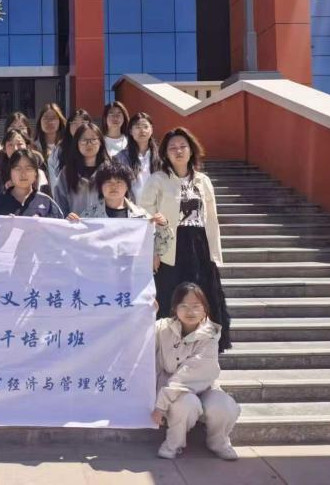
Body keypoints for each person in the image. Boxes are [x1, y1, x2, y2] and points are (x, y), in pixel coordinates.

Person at [140, 127, 231, 352]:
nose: (178, 151)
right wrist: (153, 251)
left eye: (183, 146)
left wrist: (214, 253)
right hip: (171, 247)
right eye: (172, 148)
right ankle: (168, 350)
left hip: (199, 245)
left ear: (191, 150)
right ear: (165, 153)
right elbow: (144, 216)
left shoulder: (203, 180)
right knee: (171, 296)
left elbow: (212, 219)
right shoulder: (157, 180)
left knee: (203, 295)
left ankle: (203, 349)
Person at [153, 282, 240, 461]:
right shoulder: (162, 328)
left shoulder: (211, 335)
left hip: (204, 386)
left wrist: (160, 405)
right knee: (186, 404)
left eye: (196, 306)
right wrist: (146, 314)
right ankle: (173, 444)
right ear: (174, 308)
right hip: (172, 388)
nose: (190, 311)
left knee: (224, 406)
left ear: (205, 309)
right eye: (183, 306)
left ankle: (219, 443)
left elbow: (188, 375)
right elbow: (138, 338)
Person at [0, 149, 63, 218]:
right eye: (17, 169)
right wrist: (3, 224)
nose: (23, 174)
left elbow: (59, 228)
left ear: (36, 173)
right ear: (10, 172)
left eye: (28, 169)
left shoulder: (47, 202)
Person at [53, 122, 110, 216]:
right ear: (77, 143)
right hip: (75, 223)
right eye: (84, 140)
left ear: (100, 142)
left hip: (103, 223)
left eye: (93, 140)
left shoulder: (110, 171)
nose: (89, 144)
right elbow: (59, 203)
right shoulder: (67, 172)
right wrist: (66, 218)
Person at [0, 128, 50, 195]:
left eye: (19, 144)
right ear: (4, 149)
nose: (15, 148)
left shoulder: (39, 174)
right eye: (10, 145)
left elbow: (46, 199)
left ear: (27, 146)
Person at [115, 112, 161, 203]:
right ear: (130, 131)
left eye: (145, 127)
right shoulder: (121, 158)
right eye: (137, 127)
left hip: (157, 207)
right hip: (132, 207)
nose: (142, 130)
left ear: (151, 130)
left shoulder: (161, 156)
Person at [34, 103, 67, 186]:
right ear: (40, 121)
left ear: (60, 121)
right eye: (45, 118)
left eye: (53, 118)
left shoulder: (67, 146)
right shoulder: (33, 148)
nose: (49, 122)